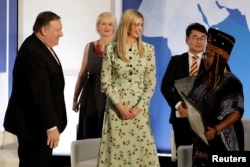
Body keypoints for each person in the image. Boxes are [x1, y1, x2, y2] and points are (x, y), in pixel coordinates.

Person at [97, 9, 160, 166]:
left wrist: (139, 107)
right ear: (126, 25)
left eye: (141, 25)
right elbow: (105, 81)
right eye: (136, 25)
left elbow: (151, 83)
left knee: (142, 152)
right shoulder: (111, 49)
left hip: (139, 110)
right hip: (116, 109)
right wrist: (118, 105)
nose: (140, 28)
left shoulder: (148, 50)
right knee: (117, 153)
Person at [4, 11, 67, 167]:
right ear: (44, 30)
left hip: (37, 126)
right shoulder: (33, 52)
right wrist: (51, 126)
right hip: (34, 127)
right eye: (58, 30)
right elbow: (40, 94)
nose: (62, 34)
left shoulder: (40, 46)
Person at [188, 28, 244, 166]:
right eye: (204, 55)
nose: (204, 59)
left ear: (219, 58)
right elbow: (193, 99)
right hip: (202, 137)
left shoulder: (231, 82)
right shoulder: (202, 77)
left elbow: (236, 113)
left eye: (208, 56)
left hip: (222, 139)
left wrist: (217, 129)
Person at [161, 23, 207, 149]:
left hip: (206, 120)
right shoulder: (176, 61)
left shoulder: (215, 63)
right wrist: (178, 105)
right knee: (183, 157)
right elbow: (165, 86)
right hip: (181, 118)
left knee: (204, 157)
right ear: (187, 40)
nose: (199, 41)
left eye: (203, 38)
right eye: (195, 37)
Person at [72, 12, 117, 140]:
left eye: (110, 24)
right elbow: (82, 74)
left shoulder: (119, 48)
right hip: (90, 94)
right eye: (103, 24)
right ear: (98, 27)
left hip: (111, 95)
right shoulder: (89, 46)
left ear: (114, 28)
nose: (107, 27)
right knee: (89, 131)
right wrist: (75, 98)